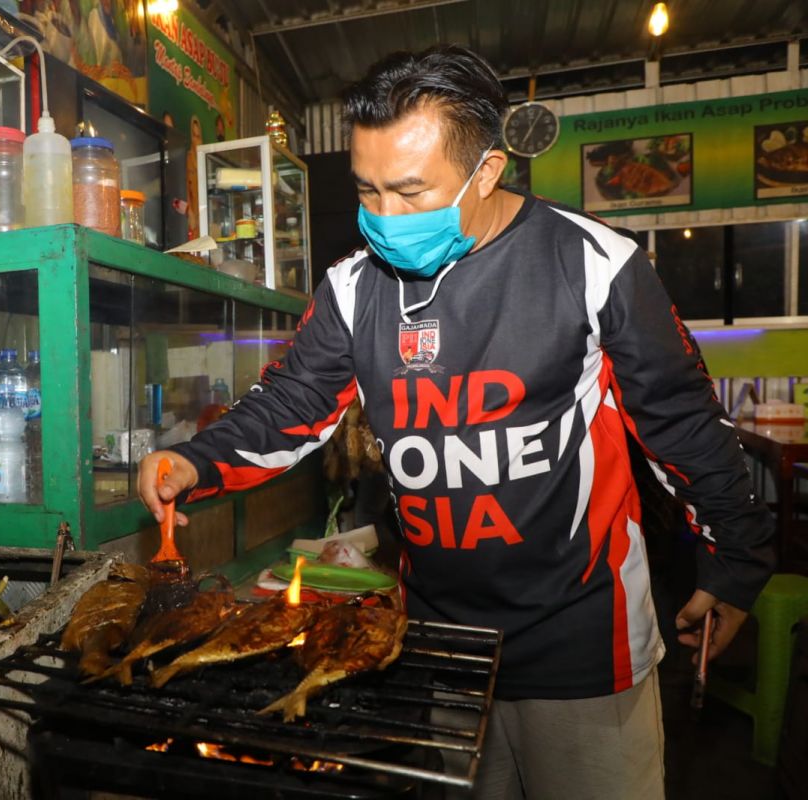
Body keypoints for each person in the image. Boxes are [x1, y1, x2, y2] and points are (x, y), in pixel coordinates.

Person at [138, 45, 775, 799]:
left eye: (411, 192)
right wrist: (197, 461)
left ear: (487, 172)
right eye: (368, 191)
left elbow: (684, 426)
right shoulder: (353, 288)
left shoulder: (595, 265)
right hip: (437, 646)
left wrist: (734, 565)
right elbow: (292, 405)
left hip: (582, 647)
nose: (383, 218)